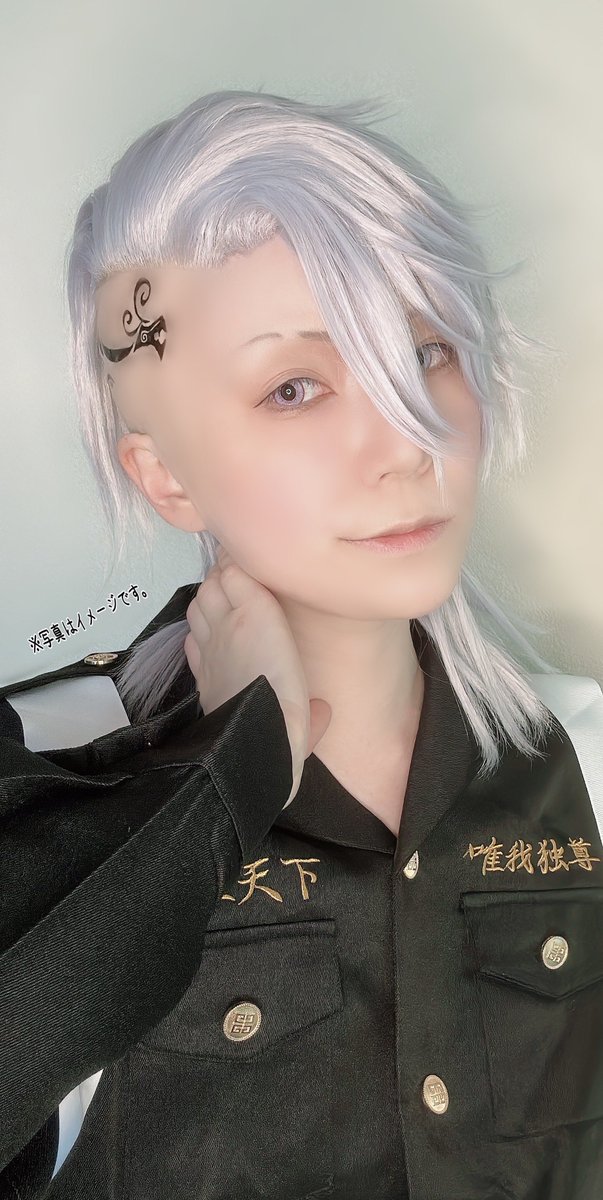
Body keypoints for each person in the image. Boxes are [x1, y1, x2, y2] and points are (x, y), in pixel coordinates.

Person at [1, 88, 602, 1199]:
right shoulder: (43, 768)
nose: (404, 443)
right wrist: (223, 781)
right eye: (294, 387)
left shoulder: (584, 758)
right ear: (165, 475)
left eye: (426, 352)